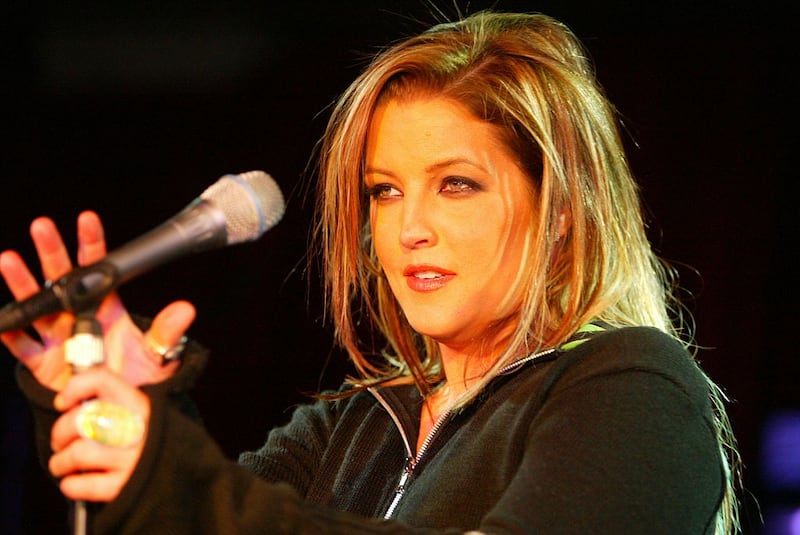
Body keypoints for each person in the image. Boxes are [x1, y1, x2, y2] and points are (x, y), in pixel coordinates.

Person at [1, 10, 739, 534]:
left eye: (456, 184)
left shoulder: (632, 387)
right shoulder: (351, 425)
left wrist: (180, 474)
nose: (409, 228)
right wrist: (124, 415)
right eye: (385, 191)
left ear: (563, 210)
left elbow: (223, 509)